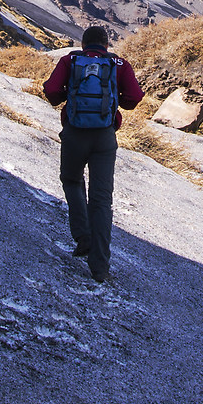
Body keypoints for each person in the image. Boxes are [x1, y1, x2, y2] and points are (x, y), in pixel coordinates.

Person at [41, 26, 143, 283]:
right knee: (101, 200)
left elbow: (52, 91)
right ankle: (100, 267)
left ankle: (82, 236)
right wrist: (112, 100)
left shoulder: (70, 60)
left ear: (83, 43)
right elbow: (134, 97)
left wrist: (70, 95)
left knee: (72, 180)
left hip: (74, 132)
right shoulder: (119, 64)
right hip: (104, 137)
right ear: (106, 44)